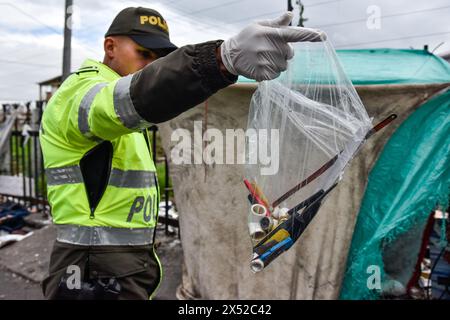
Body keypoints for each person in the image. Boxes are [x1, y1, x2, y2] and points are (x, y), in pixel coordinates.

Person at [39, 6, 325, 300]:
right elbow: (129, 97)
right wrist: (219, 61)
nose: (151, 65)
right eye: (144, 53)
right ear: (110, 47)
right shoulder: (79, 94)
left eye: (159, 59)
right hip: (91, 275)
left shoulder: (124, 115)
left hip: (113, 271)